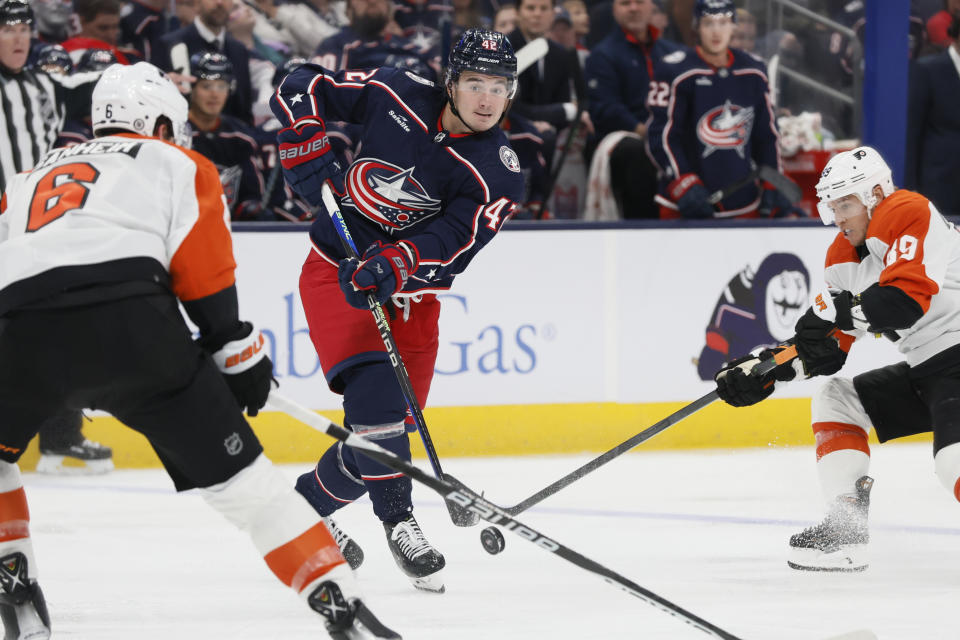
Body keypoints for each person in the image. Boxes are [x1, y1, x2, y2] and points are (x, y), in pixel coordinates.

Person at [0, 60, 399, 640]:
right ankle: (338, 602)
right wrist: (237, 357)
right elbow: (205, 279)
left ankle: (15, 585)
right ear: (159, 123)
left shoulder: (25, 178)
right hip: (132, 332)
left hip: (18, 335)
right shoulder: (176, 161)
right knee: (251, 491)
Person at [270, 27, 524, 592]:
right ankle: (400, 522)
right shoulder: (396, 89)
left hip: (413, 299)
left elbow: (455, 240)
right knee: (378, 401)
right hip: (334, 271)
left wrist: (398, 261)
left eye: (499, 87)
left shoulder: (500, 170)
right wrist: (305, 131)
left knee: (382, 434)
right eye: (476, 83)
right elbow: (300, 81)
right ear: (451, 82)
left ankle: (303, 509)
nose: (487, 98)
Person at [713, 146, 960, 574]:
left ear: (876, 193)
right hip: (930, 370)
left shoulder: (906, 209)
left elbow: (904, 301)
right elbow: (830, 350)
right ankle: (846, 529)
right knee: (836, 398)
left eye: (845, 204)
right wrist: (767, 370)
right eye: (832, 207)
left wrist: (840, 311)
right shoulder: (841, 259)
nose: (838, 217)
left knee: (952, 462)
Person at [645, 0, 797, 220]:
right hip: (685, 202)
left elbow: (766, 135)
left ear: (733, 26)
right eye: (708, 24)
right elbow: (661, 136)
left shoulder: (754, 70)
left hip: (743, 201)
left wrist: (773, 179)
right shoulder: (673, 70)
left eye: (723, 23)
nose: (716, 32)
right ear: (696, 27)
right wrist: (683, 181)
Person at [583, 0, 679, 219]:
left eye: (639, 2)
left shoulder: (674, 54)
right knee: (637, 152)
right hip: (627, 138)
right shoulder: (602, 55)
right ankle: (643, 227)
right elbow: (606, 108)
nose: (633, 8)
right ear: (615, 9)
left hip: (668, 133)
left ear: (651, 7)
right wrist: (647, 132)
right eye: (625, 3)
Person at [186, 51, 268, 220]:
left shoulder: (240, 137)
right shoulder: (175, 133)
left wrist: (251, 210)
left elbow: (251, 196)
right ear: (191, 88)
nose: (214, 94)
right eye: (206, 86)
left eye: (221, 86)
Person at [157, 0, 256, 124]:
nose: (220, 3)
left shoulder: (239, 50)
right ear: (197, 3)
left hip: (231, 139)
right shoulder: (168, 45)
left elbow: (244, 110)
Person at [905, 15, 960, 217]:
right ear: (956, 36)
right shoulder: (928, 70)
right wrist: (910, 187)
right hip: (940, 185)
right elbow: (912, 130)